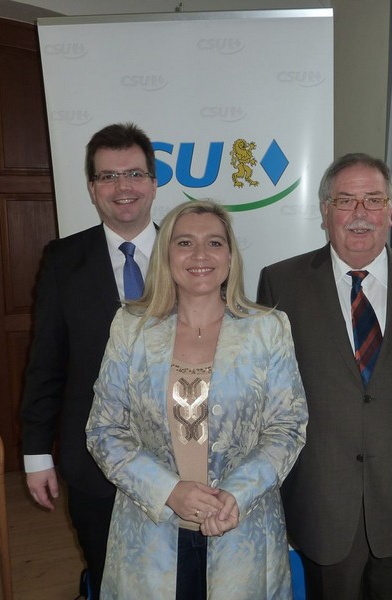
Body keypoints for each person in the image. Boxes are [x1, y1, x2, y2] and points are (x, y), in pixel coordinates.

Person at [257, 153, 392, 600]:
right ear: (325, 211)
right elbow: (269, 399)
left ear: (391, 210)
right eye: (346, 201)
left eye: (374, 200)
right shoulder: (281, 284)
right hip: (321, 499)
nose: (361, 214)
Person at [86, 200, 308, 599]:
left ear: (230, 256)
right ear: (166, 255)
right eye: (185, 242)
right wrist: (169, 491)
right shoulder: (131, 328)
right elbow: (104, 430)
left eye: (215, 243)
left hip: (241, 527)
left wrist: (235, 494)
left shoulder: (268, 329)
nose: (201, 255)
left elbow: (287, 429)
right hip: (150, 531)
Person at [21, 122, 158, 598]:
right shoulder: (62, 260)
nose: (124, 187)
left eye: (135, 173)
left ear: (154, 183)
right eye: (108, 177)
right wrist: (37, 455)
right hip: (92, 461)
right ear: (92, 189)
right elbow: (46, 363)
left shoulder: (194, 253)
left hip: (182, 460)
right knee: (109, 575)